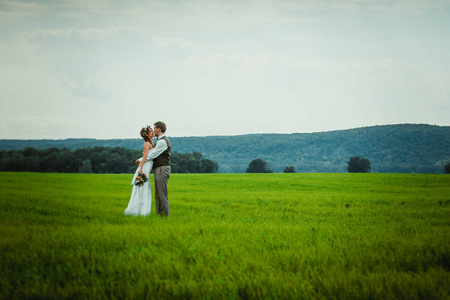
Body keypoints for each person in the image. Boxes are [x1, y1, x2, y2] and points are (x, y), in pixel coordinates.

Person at [136, 121, 171, 216]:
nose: (153, 130)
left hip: (162, 169)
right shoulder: (159, 141)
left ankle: (165, 216)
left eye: (154, 128)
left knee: (162, 194)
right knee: (158, 194)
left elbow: (152, 154)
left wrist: (139, 160)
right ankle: (159, 214)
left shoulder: (163, 141)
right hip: (158, 169)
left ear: (158, 129)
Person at [124, 126, 155, 216]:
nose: (152, 132)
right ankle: (141, 212)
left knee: (145, 189)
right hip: (143, 170)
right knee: (143, 190)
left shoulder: (151, 144)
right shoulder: (146, 144)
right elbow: (145, 156)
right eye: (150, 131)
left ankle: (143, 211)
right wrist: (140, 169)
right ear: (146, 134)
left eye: (152, 130)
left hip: (147, 169)